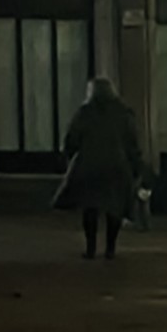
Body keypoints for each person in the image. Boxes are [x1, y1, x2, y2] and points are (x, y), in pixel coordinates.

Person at [59, 74, 145, 260]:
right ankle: (110, 248)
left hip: (89, 166)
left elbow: (72, 138)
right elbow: (132, 142)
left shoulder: (85, 113)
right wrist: (136, 165)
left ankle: (91, 248)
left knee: (90, 208)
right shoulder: (123, 113)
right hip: (117, 166)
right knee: (115, 209)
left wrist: (70, 155)